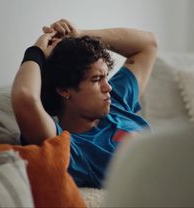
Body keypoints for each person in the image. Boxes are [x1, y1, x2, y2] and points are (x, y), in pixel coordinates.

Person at [11, 19, 158, 188]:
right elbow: (24, 97)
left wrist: (79, 35)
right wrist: (36, 51)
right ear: (64, 89)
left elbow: (148, 45)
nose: (108, 87)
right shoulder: (68, 147)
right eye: (96, 79)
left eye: (105, 77)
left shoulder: (114, 102)